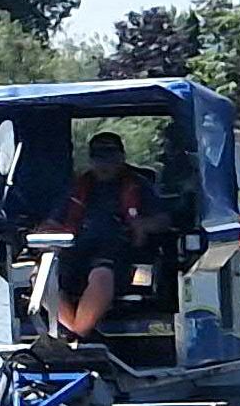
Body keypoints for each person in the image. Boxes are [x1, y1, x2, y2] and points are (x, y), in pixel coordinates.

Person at [43, 129, 164, 341]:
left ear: (121, 158)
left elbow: (163, 220)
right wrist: (44, 233)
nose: (105, 164)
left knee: (101, 275)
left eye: (111, 158)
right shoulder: (77, 188)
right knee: (42, 275)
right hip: (76, 250)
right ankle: (70, 331)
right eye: (99, 158)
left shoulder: (139, 185)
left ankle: (77, 335)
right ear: (91, 160)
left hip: (120, 251)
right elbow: (53, 221)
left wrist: (142, 225)